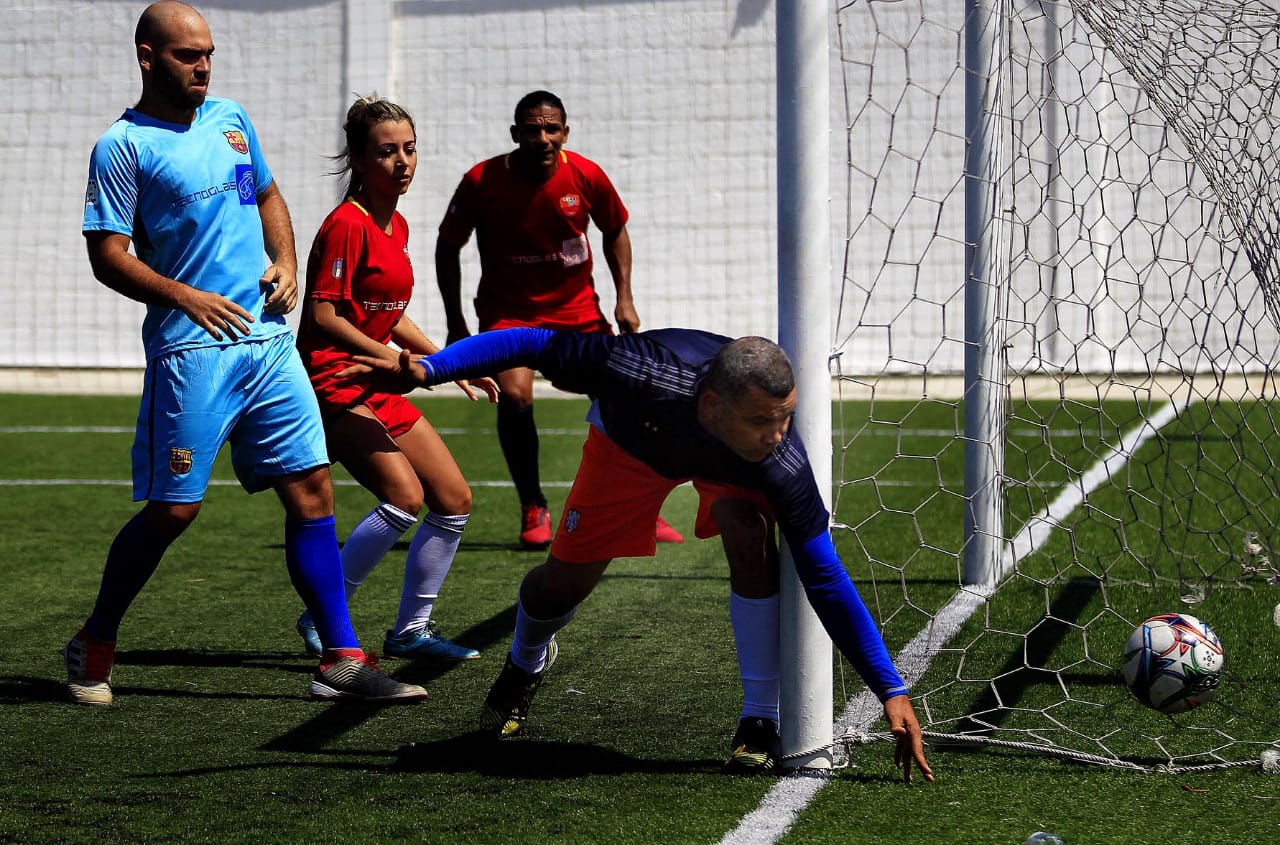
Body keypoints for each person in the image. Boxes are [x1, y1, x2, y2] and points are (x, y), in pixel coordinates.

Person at [345, 328, 935, 781]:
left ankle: (760, 714)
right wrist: (428, 367)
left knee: (749, 529)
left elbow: (824, 576)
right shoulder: (634, 369)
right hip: (632, 447)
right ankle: (526, 660)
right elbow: (528, 340)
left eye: (785, 418)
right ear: (710, 407)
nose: (778, 435)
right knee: (562, 586)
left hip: (724, 467)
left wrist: (891, 689)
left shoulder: (776, 458)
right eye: (762, 421)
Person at [65, 1, 426, 706]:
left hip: (268, 346)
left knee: (312, 491)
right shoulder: (122, 146)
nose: (202, 66)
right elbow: (107, 255)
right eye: (186, 55)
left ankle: (340, 659)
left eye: (208, 54)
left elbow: (267, 194)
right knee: (174, 512)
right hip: (192, 353)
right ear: (148, 56)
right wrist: (183, 296)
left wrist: (286, 263)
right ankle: (94, 639)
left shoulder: (231, 118)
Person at [293, 95, 497, 662]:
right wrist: (388, 360)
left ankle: (411, 631)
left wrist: (449, 361)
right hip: (333, 384)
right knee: (404, 496)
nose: (403, 161)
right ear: (358, 159)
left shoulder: (397, 222)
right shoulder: (345, 225)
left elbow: (390, 312)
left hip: (377, 379)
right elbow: (323, 317)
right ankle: (322, 613)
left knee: (453, 499)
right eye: (387, 152)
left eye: (409, 149)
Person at [435, 90, 684, 550]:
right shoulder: (482, 180)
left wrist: (624, 297)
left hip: (577, 314)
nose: (544, 138)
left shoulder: (586, 175)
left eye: (552, 129)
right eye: (533, 129)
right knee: (514, 394)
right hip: (509, 314)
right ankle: (533, 505)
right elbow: (448, 244)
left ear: (565, 133)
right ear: (516, 134)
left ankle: (638, 511)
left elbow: (615, 230)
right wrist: (455, 322)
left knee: (622, 397)